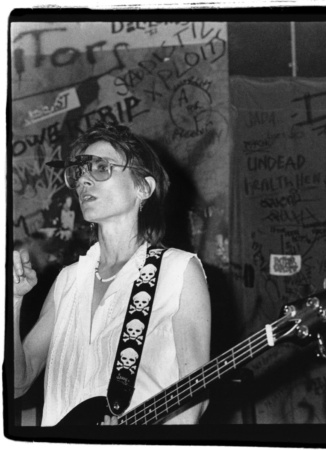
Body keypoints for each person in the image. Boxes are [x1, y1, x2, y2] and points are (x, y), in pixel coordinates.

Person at [13, 121, 211, 426]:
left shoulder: (178, 270)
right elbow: (17, 382)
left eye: (101, 168)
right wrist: (11, 303)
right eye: (78, 172)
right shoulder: (68, 280)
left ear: (142, 188)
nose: (83, 181)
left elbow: (195, 397)